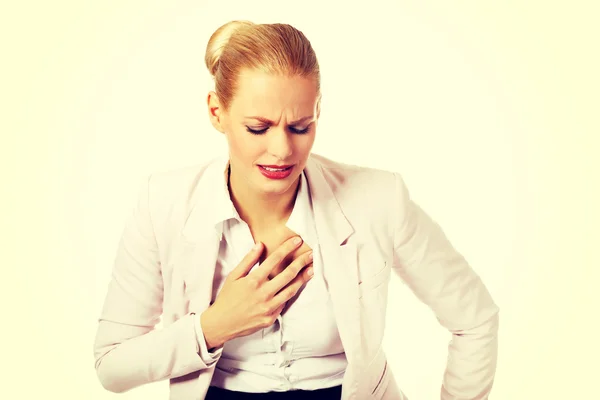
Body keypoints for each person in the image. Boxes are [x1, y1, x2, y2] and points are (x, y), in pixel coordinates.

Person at [93, 20, 499, 400]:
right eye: (258, 127)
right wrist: (215, 325)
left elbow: (475, 320)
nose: (282, 150)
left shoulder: (379, 198)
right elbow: (111, 365)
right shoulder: (162, 201)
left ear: (318, 110)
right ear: (217, 112)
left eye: (300, 126)